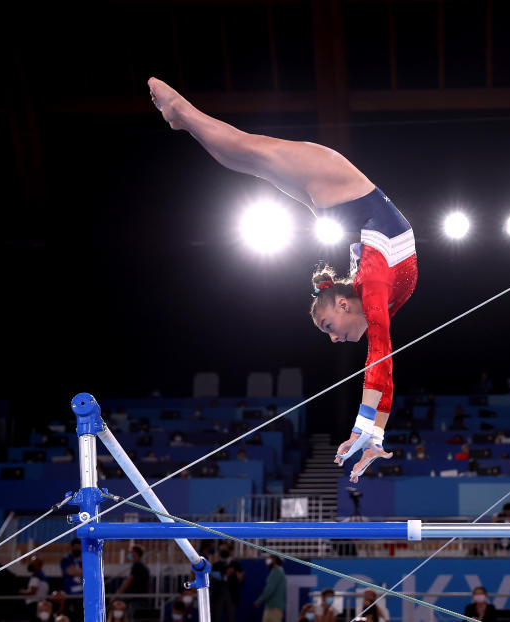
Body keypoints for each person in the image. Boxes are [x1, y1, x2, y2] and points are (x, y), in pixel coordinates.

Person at [149, 78, 418, 484]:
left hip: (338, 201)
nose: (331, 339)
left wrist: (370, 432)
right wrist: (369, 429)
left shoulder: (369, 292)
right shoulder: (374, 290)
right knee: (246, 151)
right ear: (343, 304)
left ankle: (183, 119)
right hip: (335, 182)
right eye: (329, 327)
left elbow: (382, 369)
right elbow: (380, 364)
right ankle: (182, 111)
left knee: (245, 159)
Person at [210, 542, 243, 622]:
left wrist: (239, 577)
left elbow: (241, 580)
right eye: (221, 550)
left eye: (225, 549)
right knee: (216, 617)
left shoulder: (236, 564)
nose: (223, 551)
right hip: (218, 595)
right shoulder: (215, 565)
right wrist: (225, 576)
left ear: (230, 551)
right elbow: (213, 580)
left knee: (231, 617)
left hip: (231, 595)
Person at [254, 555, 286, 622]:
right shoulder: (279, 571)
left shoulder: (276, 571)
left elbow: (269, 589)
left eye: (269, 558)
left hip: (273, 608)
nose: (267, 559)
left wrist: (259, 601)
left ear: (274, 559)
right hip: (275, 608)